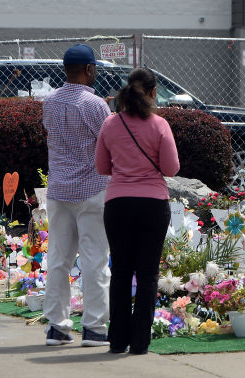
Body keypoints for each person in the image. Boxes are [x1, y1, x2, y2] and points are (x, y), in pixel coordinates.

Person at [95, 67, 180, 355]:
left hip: (117, 203)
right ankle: (140, 342)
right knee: (147, 274)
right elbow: (171, 168)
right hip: (153, 204)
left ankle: (117, 339)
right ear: (154, 93)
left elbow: (102, 167)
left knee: (120, 272)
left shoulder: (110, 124)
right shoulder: (160, 125)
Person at [40, 44, 111, 347]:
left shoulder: (50, 102)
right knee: (95, 259)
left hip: (57, 190)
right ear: (89, 69)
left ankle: (57, 327)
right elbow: (108, 143)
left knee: (58, 258)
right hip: (92, 190)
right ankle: (94, 328)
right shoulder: (95, 105)